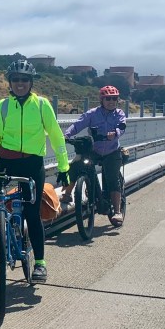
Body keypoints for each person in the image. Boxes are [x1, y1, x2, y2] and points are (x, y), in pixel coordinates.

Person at [0, 59, 70, 283]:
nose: (20, 83)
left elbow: (56, 136)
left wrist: (63, 167)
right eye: (15, 79)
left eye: (24, 79)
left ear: (31, 82)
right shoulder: (2, 106)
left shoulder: (41, 105)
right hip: (6, 162)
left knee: (32, 212)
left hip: (32, 164)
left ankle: (40, 263)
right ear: (10, 82)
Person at [62, 85, 127, 226]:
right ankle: (67, 194)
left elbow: (122, 126)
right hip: (95, 151)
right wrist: (66, 135)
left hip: (112, 151)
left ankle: (117, 211)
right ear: (101, 100)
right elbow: (78, 125)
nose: (111, 101)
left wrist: (115, 133)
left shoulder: (119, 113)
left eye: (114, 99)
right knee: (77, 165)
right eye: (108, 99)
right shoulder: (92, 114)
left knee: (112, 178)